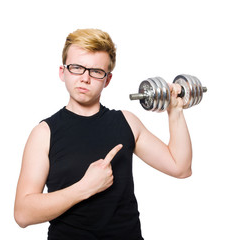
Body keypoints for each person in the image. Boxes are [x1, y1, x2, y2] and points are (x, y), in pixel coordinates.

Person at [14, 28, 192, 239]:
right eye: (77, 68)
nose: (85, 78)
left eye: (96, 71)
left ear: (107, 79)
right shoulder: (44, 133)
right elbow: (22, 213)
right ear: (63, 72)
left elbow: (180, 167)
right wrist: (84, 188)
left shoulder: (127, 122)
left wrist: (175, 110)